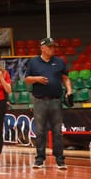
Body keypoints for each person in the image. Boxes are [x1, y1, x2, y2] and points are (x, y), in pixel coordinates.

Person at [25, 37, 73, 170]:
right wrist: (37, 79)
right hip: (39, 101)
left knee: (57, 131)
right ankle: (40, 159)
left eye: (53, 47)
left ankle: (60, 159)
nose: (53, 49)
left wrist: (69, 91)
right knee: (40, 131)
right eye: (50, 46)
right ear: (42, 48)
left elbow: (65, 78)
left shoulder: (59, 61)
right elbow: (27, 80)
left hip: (56, 101)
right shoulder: (34, 62)